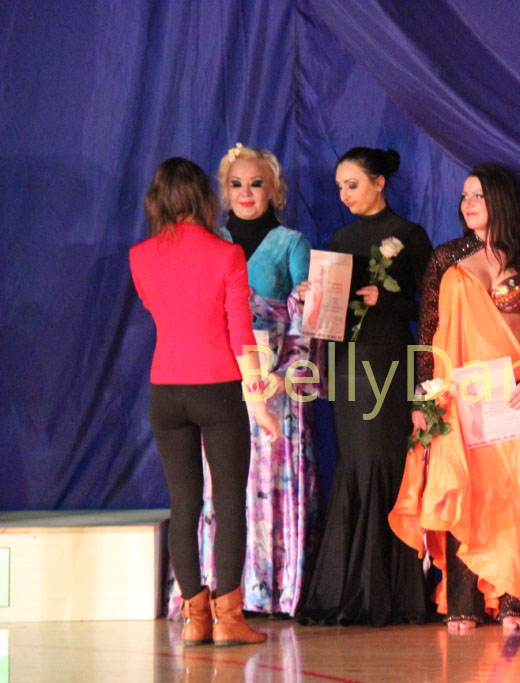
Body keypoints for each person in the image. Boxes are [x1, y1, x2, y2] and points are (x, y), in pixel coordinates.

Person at [389, 164, 520, 633]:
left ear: (501, 201)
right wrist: (423, 397)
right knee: (463, 486)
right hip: (460, 394)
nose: (468, 204)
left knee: (513, 489)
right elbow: (428, 331)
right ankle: (462, 601)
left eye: (479, 196)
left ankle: (515, 598)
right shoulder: (447, 258)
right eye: (465, 196)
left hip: (514, 393)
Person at [130, 157, 280, 646]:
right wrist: (258, 402)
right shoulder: (226, 254)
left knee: (184, 503)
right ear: (203, 196)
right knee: (229, 502)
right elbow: (241, 334)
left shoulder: (140, 256)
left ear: (159, 199)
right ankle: (229, 619)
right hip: (217, 388)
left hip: (165, 390)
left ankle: (195, 618)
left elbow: (157, 307)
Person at [164, 145, 318, 618]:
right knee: (220, 486)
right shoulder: (212, 242)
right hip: (219, 381)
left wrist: (288, 374)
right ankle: (216, 590)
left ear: (274, 190)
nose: (246, 193)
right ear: (223, 192)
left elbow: (308, 320)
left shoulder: (291, 242)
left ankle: (269, 590)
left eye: (256, 184)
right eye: (237, 184)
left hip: (275, 386)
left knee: (268, 481)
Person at [297, 147, 434, 626]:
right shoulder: (340, 238)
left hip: (390, 362)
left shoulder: (410, 236)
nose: (344, 195)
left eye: (351, 185)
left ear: (379, 182)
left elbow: (433, 309)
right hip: (348, 365)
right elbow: (329, 317)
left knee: (383, 462)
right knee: (355, 464)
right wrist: (312, 299)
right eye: (339, 187)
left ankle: (390, 591)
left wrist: (388, 300)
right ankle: (349, 586)